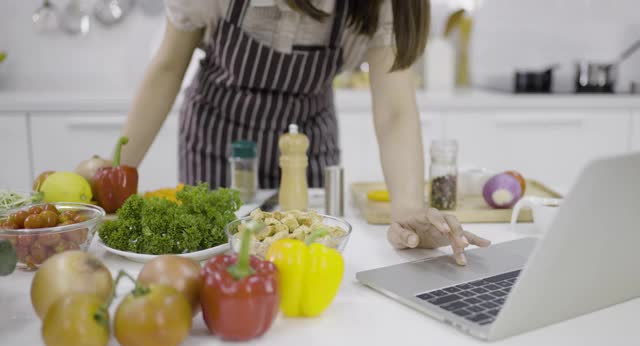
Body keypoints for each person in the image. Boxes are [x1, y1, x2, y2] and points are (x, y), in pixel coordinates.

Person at [114, 0, 490, 265]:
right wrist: (114, 180)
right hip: (219, 141)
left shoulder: (385, 6)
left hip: (308, 140)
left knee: (306, 253)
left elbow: (395, 110)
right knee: (217, 256)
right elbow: (167, 67)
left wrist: (407, 211)